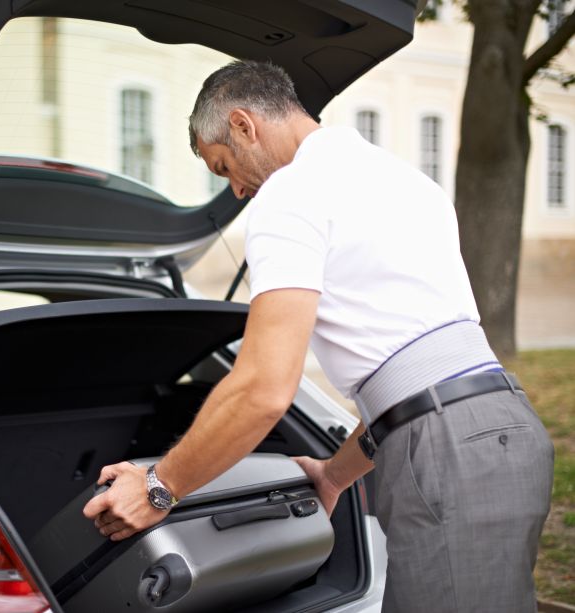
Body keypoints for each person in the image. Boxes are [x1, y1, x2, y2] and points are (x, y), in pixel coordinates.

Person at [82, 60, 554, 612]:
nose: (235, 189)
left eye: (224, 166)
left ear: (242, 125)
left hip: (447, 448)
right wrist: (334, 474)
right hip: (500, 426)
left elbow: (263, 389)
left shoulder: (290, 194)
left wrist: (159, 487)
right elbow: (415, 367)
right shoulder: (403, 180)